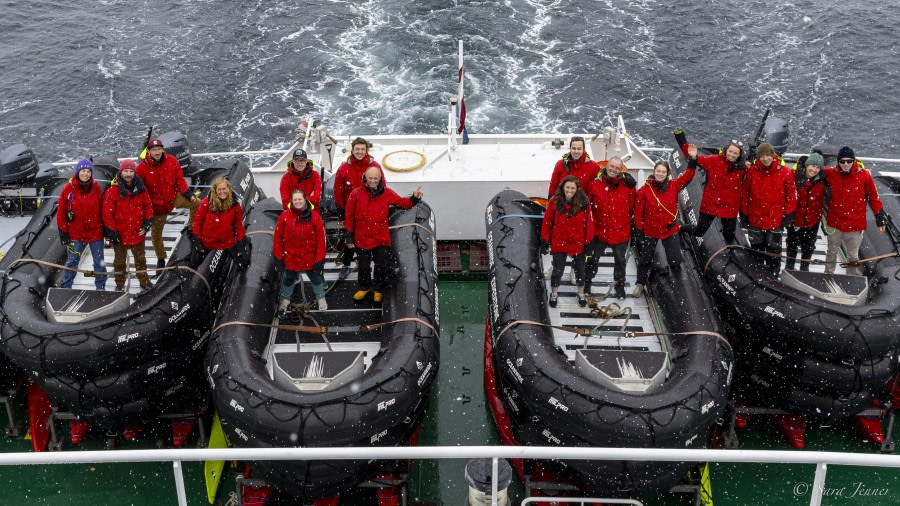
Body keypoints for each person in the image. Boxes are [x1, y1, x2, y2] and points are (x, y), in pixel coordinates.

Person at [345, 167, 422, 303]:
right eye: (370, 178)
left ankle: (378, 290)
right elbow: (349, 216)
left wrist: (414, 198)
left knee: (381, 266)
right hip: (361, 238)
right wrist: (349, 236)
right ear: (365, 178)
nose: (373, 181)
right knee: (363, 266)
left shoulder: (387, 193)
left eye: (376, 178)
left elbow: (403, 203)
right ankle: (365, 288)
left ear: (380, 178)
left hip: (381, 239)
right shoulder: (356, 193)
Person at [633, 155, 698, 297]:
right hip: (651, 231)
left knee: (675, 260)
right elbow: (638, 214)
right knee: (645, 260)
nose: (660, 174)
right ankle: (640, 283)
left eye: (663, 172)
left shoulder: (674, 185)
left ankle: (676, 277)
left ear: (667, 174)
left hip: (670, 231)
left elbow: (687, 177)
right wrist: (639, 231)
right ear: (654, 171)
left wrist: (693, 161)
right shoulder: (644, 191)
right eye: (658, 171)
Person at [822, 146, 887, 275]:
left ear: (854, 161)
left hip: (855, 224)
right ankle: (828, 275)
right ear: (838, 162)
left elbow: (873, 197)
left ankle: (851, 279)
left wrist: (879, 215)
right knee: (831, 252)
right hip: (835, 222)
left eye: (849, 161)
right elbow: (812, 170)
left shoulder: (864, 176)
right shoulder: (830, 173)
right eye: (842, 161)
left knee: (853, 256)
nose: (846, 164)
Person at [136, 138, 199, 270]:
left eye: (159, 149)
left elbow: (179, 180)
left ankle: (190, 227)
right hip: (157, 206)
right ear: (149, 151)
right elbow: (140, 191)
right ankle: (161, 258)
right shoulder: (142, 168)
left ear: (163, 149)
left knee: (196, 203)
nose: (157, 152)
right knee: (156, 235)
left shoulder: (172, 161)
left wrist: (188, 194)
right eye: (154, 150)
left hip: (172, 197)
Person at [739, 143, 797, 275]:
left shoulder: (785, 172)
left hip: (775, 219)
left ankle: (774, 272)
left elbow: (791, 197)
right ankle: (757, 272)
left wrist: (787, 215)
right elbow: (745, 195)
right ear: (758, 157)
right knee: (757, 247)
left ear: (773, 155)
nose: (765, 159)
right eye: (762, 156)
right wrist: (744, 214)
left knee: (774, 248)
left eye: (768, 155)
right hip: (755, 218)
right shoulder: (752, 172)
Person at [333, 137, 385, 279]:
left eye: (362, 149)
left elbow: (382, 187)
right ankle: (347, 263)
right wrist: (341, 214)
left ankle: (372, 262)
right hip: (350, 212)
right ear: (352, 150)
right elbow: (338, 192)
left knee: (371, 237)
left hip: (370, 211)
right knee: (349, 239)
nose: (360, 152)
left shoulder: (375, 167)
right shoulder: (343, 168)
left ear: (366, 150)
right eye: (357, 149)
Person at [585, 158, 636, 299]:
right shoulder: (594, 184)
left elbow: (631, 209)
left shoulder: (628, 187)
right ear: (606, 166)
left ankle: (620, 286)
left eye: (617, 168)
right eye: (611, 166)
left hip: (620, 232)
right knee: (593, 259)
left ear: (621, 170)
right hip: (599, 232)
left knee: (620, 261)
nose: (613, 170)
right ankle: (587, 283)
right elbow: (588, 206)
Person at [679, 140, 746, 244]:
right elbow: (696, 159)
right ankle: (680, 228)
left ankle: (730, 252)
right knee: (699, 231)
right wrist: (686, 146)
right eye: (730, 151)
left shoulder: (743, 169)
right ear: (725, 151)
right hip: (711, 205)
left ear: (739, 155)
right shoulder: (714, 160)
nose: (731, 155)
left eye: (735, 153)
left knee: (729, 236)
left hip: (729, 207)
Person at [541, 176, 594, 307]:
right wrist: (545, 240)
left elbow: (589, 224)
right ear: (563, 188)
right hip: (560, 242)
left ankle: (581, 293)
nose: (570, 190)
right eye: (567, 187)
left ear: (577, 189)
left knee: (580, 270)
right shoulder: (554, 201)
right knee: (557, 270)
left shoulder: (584, 203)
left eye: (572, 188)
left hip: (578, 243)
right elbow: (547, 222)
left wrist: (588, 242)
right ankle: (554, 293)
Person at [102, 159, 154, 291]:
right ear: (121, 172)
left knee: (141, 260)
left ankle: (144, 281)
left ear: (134, 173)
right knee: (119, 263)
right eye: (126, 171)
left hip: (137, 233)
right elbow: (107, 214)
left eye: (131, 171)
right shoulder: (112, 191)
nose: (128, 174)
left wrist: (147, 223)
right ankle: (119, 284)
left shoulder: (141, 189)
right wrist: (112, 233)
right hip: (120, 235)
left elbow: (148, 206)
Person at [57, 159, 108, 290]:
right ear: (77, 172)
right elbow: (61, 213)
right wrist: (63, 233)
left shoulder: (95, 187)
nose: (85, 174)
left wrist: (106, 229)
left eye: (88, 171)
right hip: (75, 233)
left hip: (95, 232)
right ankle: (66, 288)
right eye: (83, 171)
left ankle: (100, 287)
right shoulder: (68, 189)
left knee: (99, 262)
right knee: (72, 262)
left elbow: (102, 208)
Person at [274, 190, 327, 311]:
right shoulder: (284, 217)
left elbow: (321, 240)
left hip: (310, 257)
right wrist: (278, 258)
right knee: (289, 279)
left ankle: (320, 297)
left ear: (305, 200)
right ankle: (286, 298)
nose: (297, 202)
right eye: (295, 200)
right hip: (290, 257)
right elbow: (277, 238)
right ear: (291, 202)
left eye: (300, 199)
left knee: (316, 278)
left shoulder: (315, 217)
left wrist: (320, 260)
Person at [191, 177, 247, 265]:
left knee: (242, 263)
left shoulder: (235, 206)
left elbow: (238, 226)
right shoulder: (206, 203)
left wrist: (240, 245)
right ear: (215, 190)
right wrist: (198, 241)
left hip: (227, 242)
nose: (222, 192)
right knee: (194, 263)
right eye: (219, 189)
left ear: (229, 189)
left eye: (224, 189)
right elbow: (198, 222)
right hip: (207, 241)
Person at [785, 153, 826, 271]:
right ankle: (790, 267)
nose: (814, 170)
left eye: (818, 167)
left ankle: (804, 268)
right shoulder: (793, 176)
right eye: (812, 166)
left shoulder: (823, 179)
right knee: (792, 245)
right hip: (796, 219)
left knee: (808, 246)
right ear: (806, 165)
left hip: (813, 220)